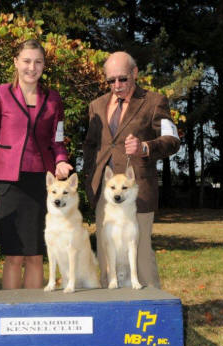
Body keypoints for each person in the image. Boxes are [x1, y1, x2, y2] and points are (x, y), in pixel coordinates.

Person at [0, 39, 73, 289]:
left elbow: (58, 141)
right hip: (8, 184)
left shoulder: (53, 99)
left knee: (35, 254)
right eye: (27, 61)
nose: (32, 67)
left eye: (38, 62)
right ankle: (10, 315)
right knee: (13, 255)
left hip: (40, 184)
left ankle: (34, 315)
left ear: (44, 65)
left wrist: (62, 161)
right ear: (16, 63)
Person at [83, 51, 180, 289]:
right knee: (107, 255)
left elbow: (172, 140)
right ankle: (112, 311)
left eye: (123, 79)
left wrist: (145, 147)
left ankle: (151, 312)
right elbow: (90, 145)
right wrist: (89, 179)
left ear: (135, 73)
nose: (117, 85)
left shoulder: (154, 101)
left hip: (136, 192)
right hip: (106, 192)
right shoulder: (95, 106)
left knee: (140, 254)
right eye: (111, 80)